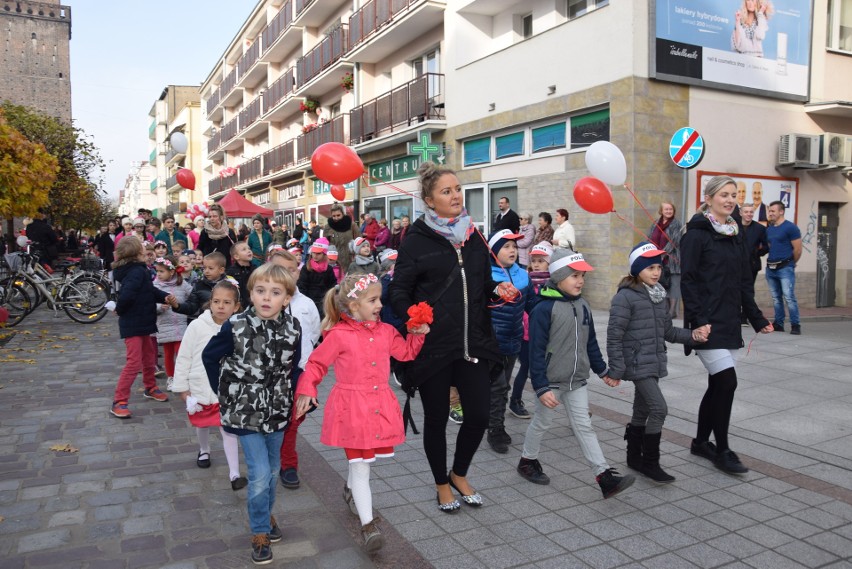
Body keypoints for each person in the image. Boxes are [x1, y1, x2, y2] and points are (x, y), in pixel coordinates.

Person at [389, 162, 518, 513]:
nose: (456, 196)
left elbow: (477, 282)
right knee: (436, 419)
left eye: (458, 189)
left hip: (474, 340)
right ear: (429, 201)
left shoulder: (472, 234)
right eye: (446, 192)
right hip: (434, 346)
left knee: (478, 415)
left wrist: (497, 288)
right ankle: (441, 484)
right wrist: (412, 317)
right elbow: (398, 291)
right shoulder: (415, 239)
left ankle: (460, 473)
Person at [295, 273, 428, 552]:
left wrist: (416, 335)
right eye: (373, 299)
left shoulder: (387, 331)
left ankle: (349, 490)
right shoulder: (339, 335)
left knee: (362, 460)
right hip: (351, 408)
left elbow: (404, 354)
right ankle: (368, 526)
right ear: (354, 306)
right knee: (361, 465)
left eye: (380, 298)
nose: (380, 304)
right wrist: (307, 390)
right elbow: (316, 364)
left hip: (378, 404)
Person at [202, 263, 301, 565]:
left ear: (286, 298)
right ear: (251, 294)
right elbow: (209, 356)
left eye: (275, 292)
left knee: (272, 470)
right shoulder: (235, 325)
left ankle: (267, 517)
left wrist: (297, 396)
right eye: (260, 291)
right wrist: (225, 391)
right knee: (259, 473)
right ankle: (259, 531)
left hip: (278, 410)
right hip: (243, 412)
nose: (266, 298)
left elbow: (293, 367)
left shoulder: (293, 327)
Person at [516, 248, 634, 498]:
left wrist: (603, 371)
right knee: (543, 421)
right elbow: (534, 352)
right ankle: (527, 461)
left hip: (577, 380)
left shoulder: (583, 305)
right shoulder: (543, 309)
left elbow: (590, 343)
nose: (580, 281)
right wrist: (540, 386)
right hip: (551, 381)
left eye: (582, 276)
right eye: (575, 276)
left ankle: (604, 477)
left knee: (584, 426)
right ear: (559, 277)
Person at [681, 175, 773, 475]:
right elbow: (689, 281)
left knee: (717, 384)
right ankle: (722, 449)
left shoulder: (736, 233)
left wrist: (757, 318)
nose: (730, 199)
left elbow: (744, 280)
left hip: (730, 320)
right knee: (727, 382)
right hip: (707, 323)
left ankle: (699, 442)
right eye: (724, 194)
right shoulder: (696, 234)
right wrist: (699, 320)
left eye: (734, 194)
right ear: (709, 198)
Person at [608, 243, 708, 483]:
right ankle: (651, 463)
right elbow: (614, 335)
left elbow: (669, 332)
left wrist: (693, 336)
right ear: (637, 269)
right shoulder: (625, 297)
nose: (657, 272)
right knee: (659, 409)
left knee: (642, 410)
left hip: (652, 361)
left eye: (659, 267)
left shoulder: (658, 295)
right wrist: (616, 369)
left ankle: (634, 457)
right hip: (636, 362)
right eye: (650, 267)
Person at [172, 280, 247, 490]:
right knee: (202, 423)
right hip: (199, 386)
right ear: (210, 303)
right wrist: (182, 388)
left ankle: (234, 475)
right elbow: (184, 357)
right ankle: (203, 449)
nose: (221, 306)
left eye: (226, 302)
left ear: (236, 306)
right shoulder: (197, 326)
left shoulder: (239, 327)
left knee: (228, 430)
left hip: (226, 389)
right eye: (216, 301)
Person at [267, 249, 321, 492]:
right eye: (280, 270)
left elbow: (315, 332)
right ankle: (279, 460)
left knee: (294, 419)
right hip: (271, 373)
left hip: (301, 372)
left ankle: (286, 462)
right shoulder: (265, 302)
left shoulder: (306, 303)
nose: (287, 275)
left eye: (291, 270)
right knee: (276, 419)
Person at [109, 237, 170, 419]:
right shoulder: (136, 272)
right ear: (136, 254)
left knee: (149, 356)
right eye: (144, 251)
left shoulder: (139, 270)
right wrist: (119, 309)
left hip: (143, 320)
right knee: (134, 362)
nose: (147, 253)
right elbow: (127, 295)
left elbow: (149, 291)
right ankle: (119, 401)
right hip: (133, 323)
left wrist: (164, 296)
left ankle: (150, 387)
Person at [485, 229, 530, 454]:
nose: (512, 250)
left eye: (514, 246)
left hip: (514, 338)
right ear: (494, 252)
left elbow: (531, 304)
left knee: (503, 386)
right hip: (492, 342)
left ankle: (494, 422)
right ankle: (495, 430)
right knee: (498, 385)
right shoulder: (487, 276)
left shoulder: (523, 274)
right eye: (506, 247)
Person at [510, 241, 553, 420]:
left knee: (555, 369)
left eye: (541, 261)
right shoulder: (525, 280)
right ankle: (515, 400)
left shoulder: (554, 283)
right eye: (533, 260)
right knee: (526, 367)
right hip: (527, 334)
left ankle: (575, 406)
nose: (536, 264)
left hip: (549, 334)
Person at [153, 255, 192, 392]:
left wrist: (185, 305)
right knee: (168, 354)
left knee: (181, 353)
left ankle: (183, 377)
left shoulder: (182, 284)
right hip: (164, 325)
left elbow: (193, 296)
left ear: (172, 271)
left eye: (161, 271)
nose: (158, 274)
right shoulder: (155, 285)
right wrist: (159, 307)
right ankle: (171, 378)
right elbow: (150, 303)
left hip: (181, 324)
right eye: (157, 271)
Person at [765, 200, 802, 335]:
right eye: (770, 211)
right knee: (776, 298)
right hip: (771, 268)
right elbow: (770, 246)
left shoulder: (791, 228)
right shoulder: (769, 229)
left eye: (773, 211)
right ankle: (779, 323)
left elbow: (797, 250)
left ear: (781, 211)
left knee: (789, 297)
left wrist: (791, 263)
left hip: (785, 268)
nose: (770, 213)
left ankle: (795, 325)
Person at [647, 201, 683, 319]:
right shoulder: (656, 223)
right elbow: (649, 237)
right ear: (661, 211)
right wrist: (650, 250)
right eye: (666, 209)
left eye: (670, 209)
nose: (668, 211)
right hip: (658, 260)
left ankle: (672, 312)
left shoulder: (676, 224)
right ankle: (665, 310)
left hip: (672, 260)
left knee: (674, 286)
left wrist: (663, 253)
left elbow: (674, 241)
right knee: (663, 284)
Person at [169, 252, 228, 322]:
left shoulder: (230, 285)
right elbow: (191, 306)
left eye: (210, 268)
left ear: (221, 270)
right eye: (204, 268)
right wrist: (177, 306)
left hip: (226, 324)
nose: (206, 271)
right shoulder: (199, 285)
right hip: (206, 324)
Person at [740, 203, 769, 323]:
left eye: (751, 212)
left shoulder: (760, 228)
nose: (749, 214)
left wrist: (756, 253)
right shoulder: (733, 226)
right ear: (741, 213)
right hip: (734, 264)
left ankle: (744, 317)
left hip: (751, 265)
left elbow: (766, 246)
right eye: (746, 212)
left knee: (748, 291)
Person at [297, 237, 337, 316]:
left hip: (324, 303)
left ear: (324, 254)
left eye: (318, 253)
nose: (315, 255)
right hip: (309, 303)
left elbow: (332, 286)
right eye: (313, 252)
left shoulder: (328, 269)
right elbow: (302, 286)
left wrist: (329, 300)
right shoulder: (306, 268)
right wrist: (305, 302)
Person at [324, 204, 360, 276]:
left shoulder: (351, 225)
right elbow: (325, 243)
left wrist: (356, 255)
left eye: (338, 215)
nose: (336, 218)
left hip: (349, 259)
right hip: (334, 261)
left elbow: (359, 241)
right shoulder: (328, 227)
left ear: (343, 214)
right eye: (334, 216)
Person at [227, 242, 256, 307]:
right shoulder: (231, 272)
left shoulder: (255, 269)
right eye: (244, 249)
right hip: (239, 305)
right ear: (236, 256)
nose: (248, 251)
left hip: (254, 303)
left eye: (249, 248)